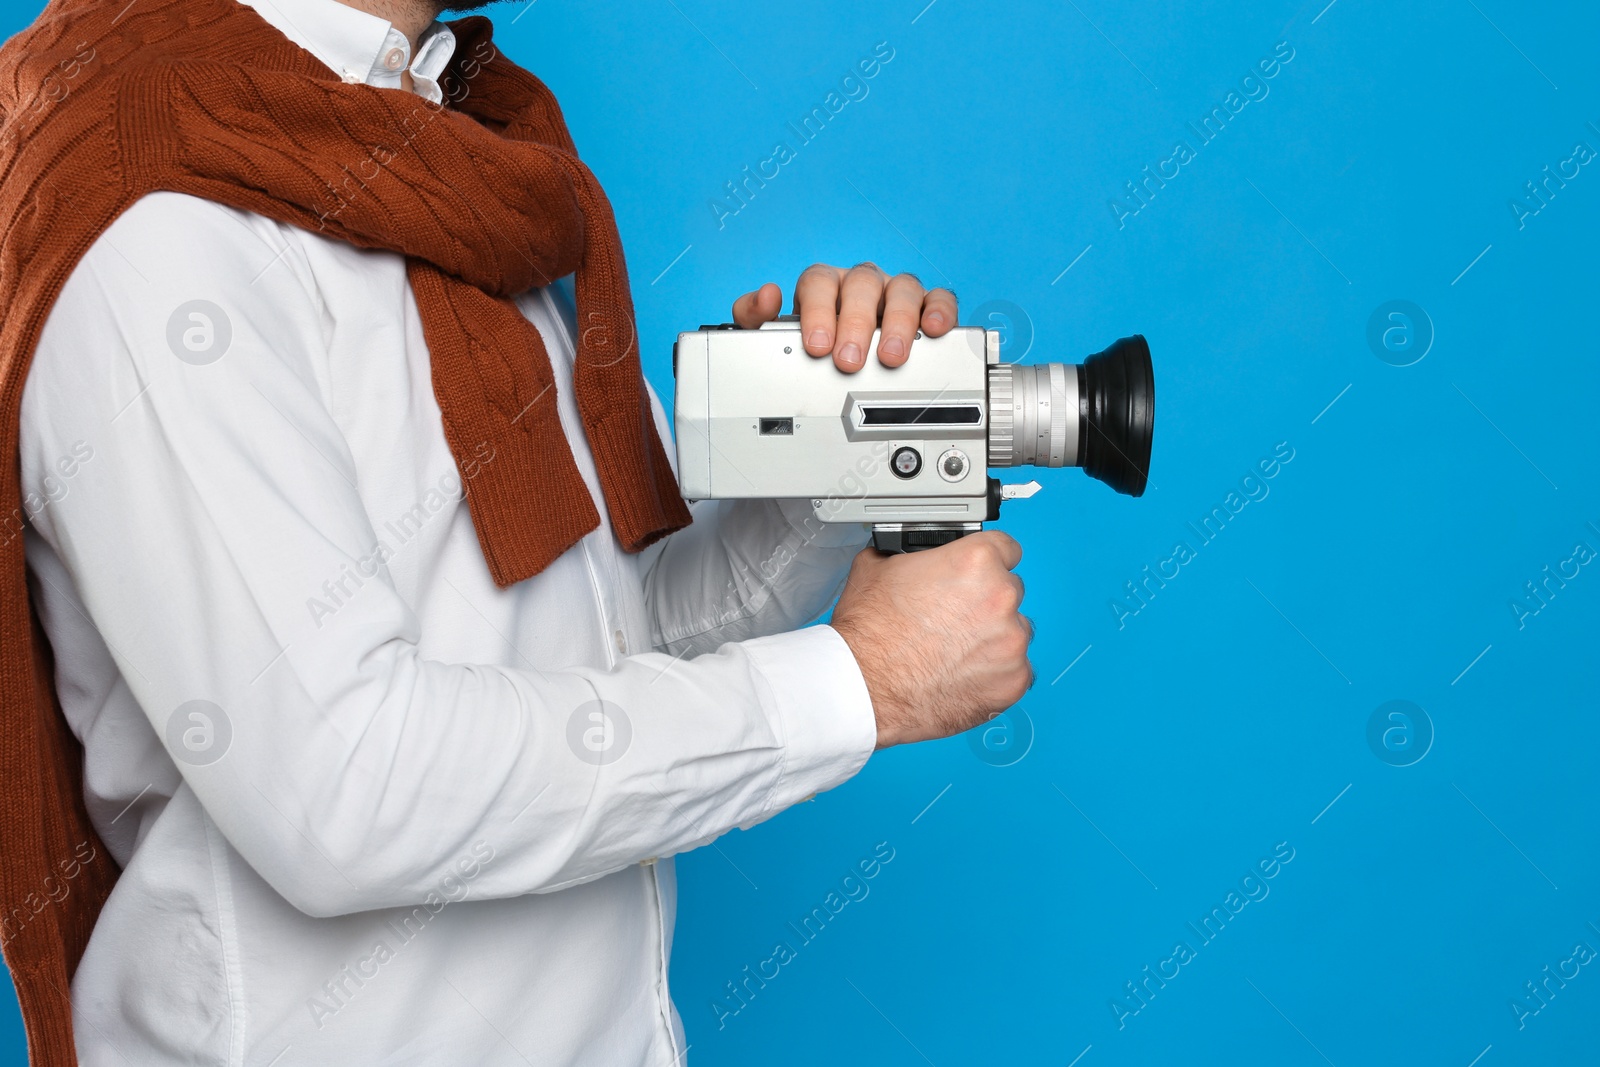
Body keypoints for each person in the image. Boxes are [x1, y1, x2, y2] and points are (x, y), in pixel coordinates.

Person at [0, 0, 1032, 1062]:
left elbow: (608, 644)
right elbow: (345, 786)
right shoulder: (157, 218)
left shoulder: (456, 152)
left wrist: (833, 463)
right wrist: (860, 682)